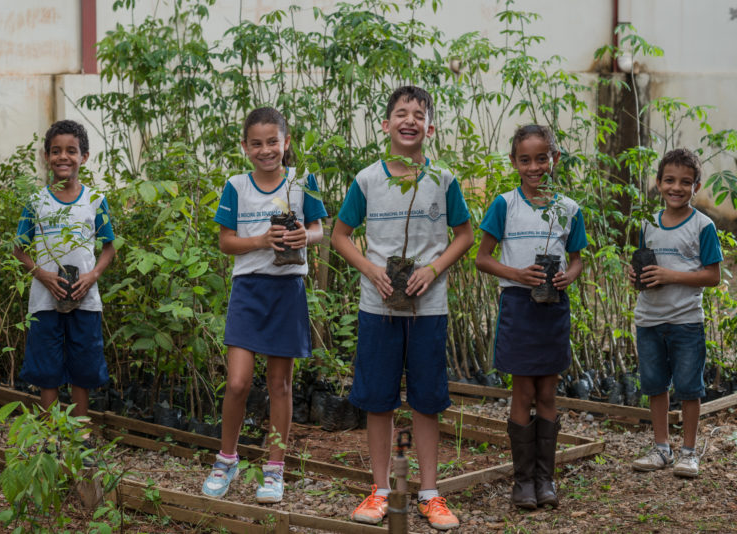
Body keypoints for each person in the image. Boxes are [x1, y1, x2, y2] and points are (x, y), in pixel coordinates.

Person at [332, 86, 473, 531]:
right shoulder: (368, 179)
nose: (409, 120)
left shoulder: (443, 180)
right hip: (379, 309)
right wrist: (371, 269)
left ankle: (430, 494)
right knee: (379, 400)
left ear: (430, 127)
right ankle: (380, 490)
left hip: (429, 309)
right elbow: (339, 235)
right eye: (400, 113)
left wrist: (432, 269)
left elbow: (464, 235)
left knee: (427, 401)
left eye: (418, 115)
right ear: (386, 124)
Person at [204, 107, 328, 503]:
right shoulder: (236, 186)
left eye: (272, 141)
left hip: (286, 288)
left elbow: (319, 229)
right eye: (256, 143)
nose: (265, 150)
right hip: (248, 291)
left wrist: (302, 239)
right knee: (238, 381)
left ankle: (274, 470)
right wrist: (261, 240)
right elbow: (225, 243)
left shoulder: (301, 182)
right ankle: (227, 458)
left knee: (280, 384)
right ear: (245, 147)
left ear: (286, 142)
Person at [475, 124, 587, 509]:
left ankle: (546, 479)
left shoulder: (568, 209)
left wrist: (567, 278)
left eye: (543, 158)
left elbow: (577, 261)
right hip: (519, 308)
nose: (535, 166)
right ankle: (523, 482)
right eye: (526, 160)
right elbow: (482, 258)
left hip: (553, 309)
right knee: (523, 391)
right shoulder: (505, 205)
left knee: (548, 392)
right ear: (514, 162)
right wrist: (518, 275)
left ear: (554, 159)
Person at [14, 120, 116, 441]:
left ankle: (80, 436)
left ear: (84, 157)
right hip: (44, 301)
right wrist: (42, 274)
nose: (63, 157)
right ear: (46, 156)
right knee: (46, 368)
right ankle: (51, 436)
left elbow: (108, 247)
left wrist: (92, 275)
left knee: (83, 365)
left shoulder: (95, 200)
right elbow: (19, 248)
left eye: (71, 151)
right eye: (56, 151)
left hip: (85, 300)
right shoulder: (36, 202)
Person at [629, 148, 722, 478]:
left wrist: (671, 276)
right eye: (669, 180)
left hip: (686, 322)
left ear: (696, 187)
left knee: (689, 388)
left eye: (686, 182)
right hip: (649, 319)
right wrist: (635, 277)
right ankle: (661, 448)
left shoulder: (703, 226)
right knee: (655, 385)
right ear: (658, 183)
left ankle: (688, 451)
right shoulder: (647, 224)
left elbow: (713, 276)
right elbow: (646, 265)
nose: (676, 188)